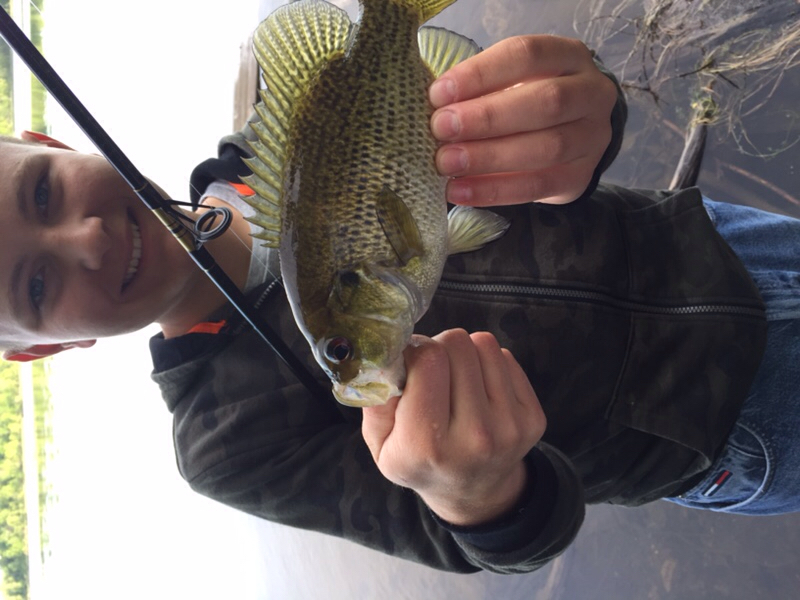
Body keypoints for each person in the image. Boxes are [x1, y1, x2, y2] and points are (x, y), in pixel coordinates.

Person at [0, 31, 797, 576]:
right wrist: (476, 497)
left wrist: (580, 117)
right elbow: (490, 545)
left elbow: (510, 126)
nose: (88, 240)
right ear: (42, 348)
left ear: (52, 145)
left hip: (717, 242)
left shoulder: (292, 129)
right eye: (35, 286)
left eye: (42, 194)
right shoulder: (226, 442)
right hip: (729, 433)